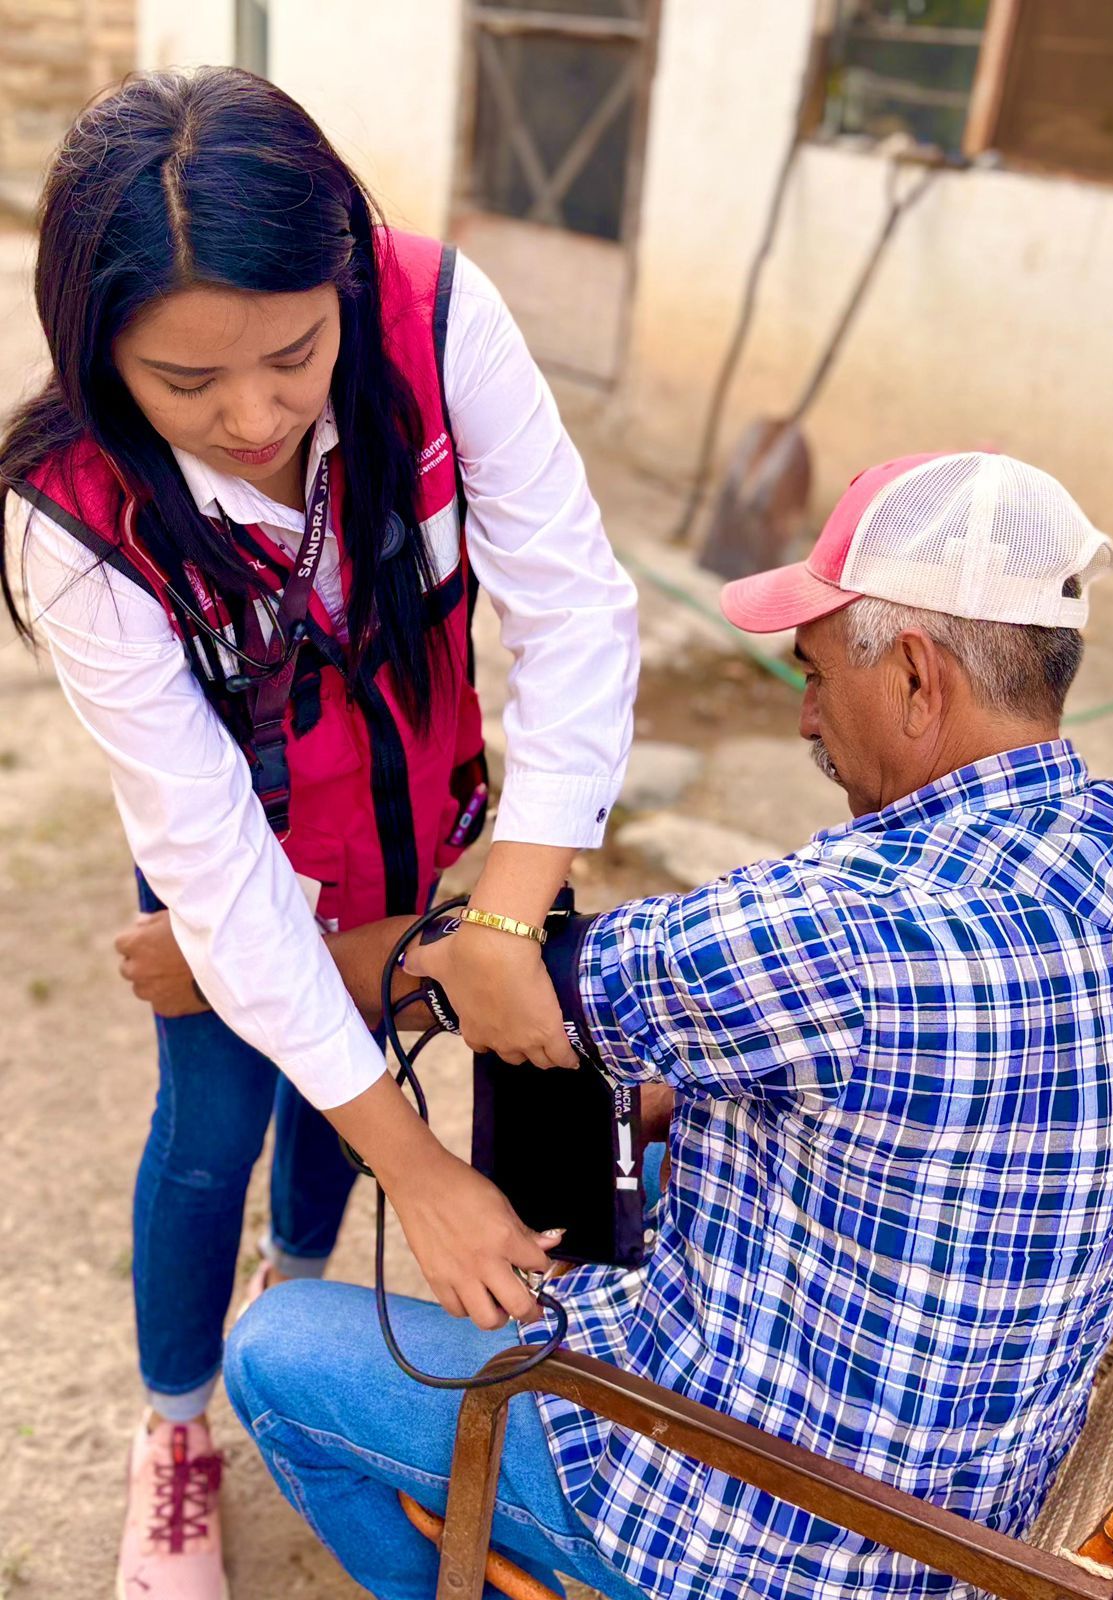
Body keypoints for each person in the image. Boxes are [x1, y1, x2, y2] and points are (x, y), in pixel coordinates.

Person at [219, 452, 1113, 1600]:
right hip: (968, 1517)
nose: (806, 716)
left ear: (920, 679)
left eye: (818, 672)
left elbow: (498, 980)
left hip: (745, 1521)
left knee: (277, 1351)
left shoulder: (837, 931)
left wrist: (224, 956)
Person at [0, 67, 637, 1600]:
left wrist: (496, 915)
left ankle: (294, 1301)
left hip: (427, 824)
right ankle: (176, 1436)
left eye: (293, 354)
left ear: (343, 276)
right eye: (182, 382)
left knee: (330, 1124)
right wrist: (422, 1171)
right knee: (213, 1126)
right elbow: (218, 875)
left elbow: (576, 610)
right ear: (96, 353)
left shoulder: (433, 317)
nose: (254, 415)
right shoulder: (76, 519)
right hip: (250, 861)